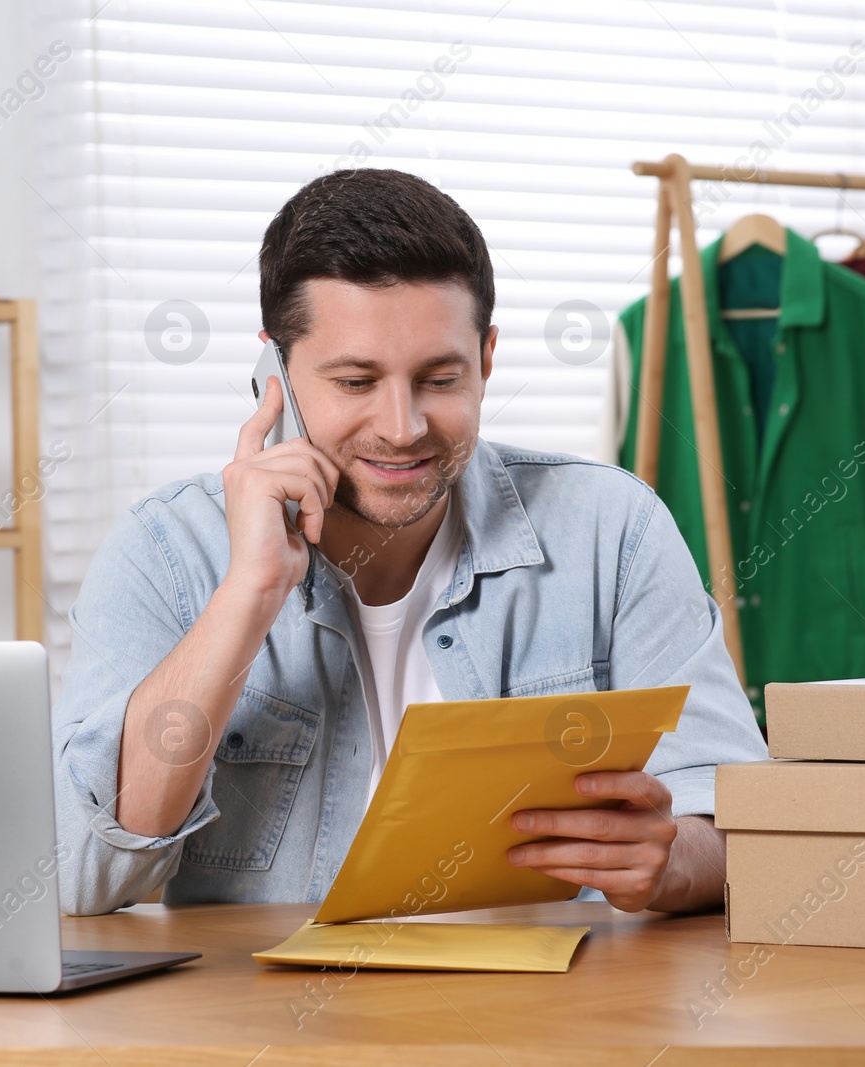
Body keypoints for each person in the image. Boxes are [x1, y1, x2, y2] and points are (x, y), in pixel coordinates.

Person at [52, 168, 768, 916]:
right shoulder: (164, 552)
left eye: (439, 378)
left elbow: (741, 824)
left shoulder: (612, 530)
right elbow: (83, 869)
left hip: (550, 1018)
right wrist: (249, 593)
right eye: (356, 381)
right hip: (263, 1025)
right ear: (276, 373)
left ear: (486, 360)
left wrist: (673, 859)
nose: (402, 426)